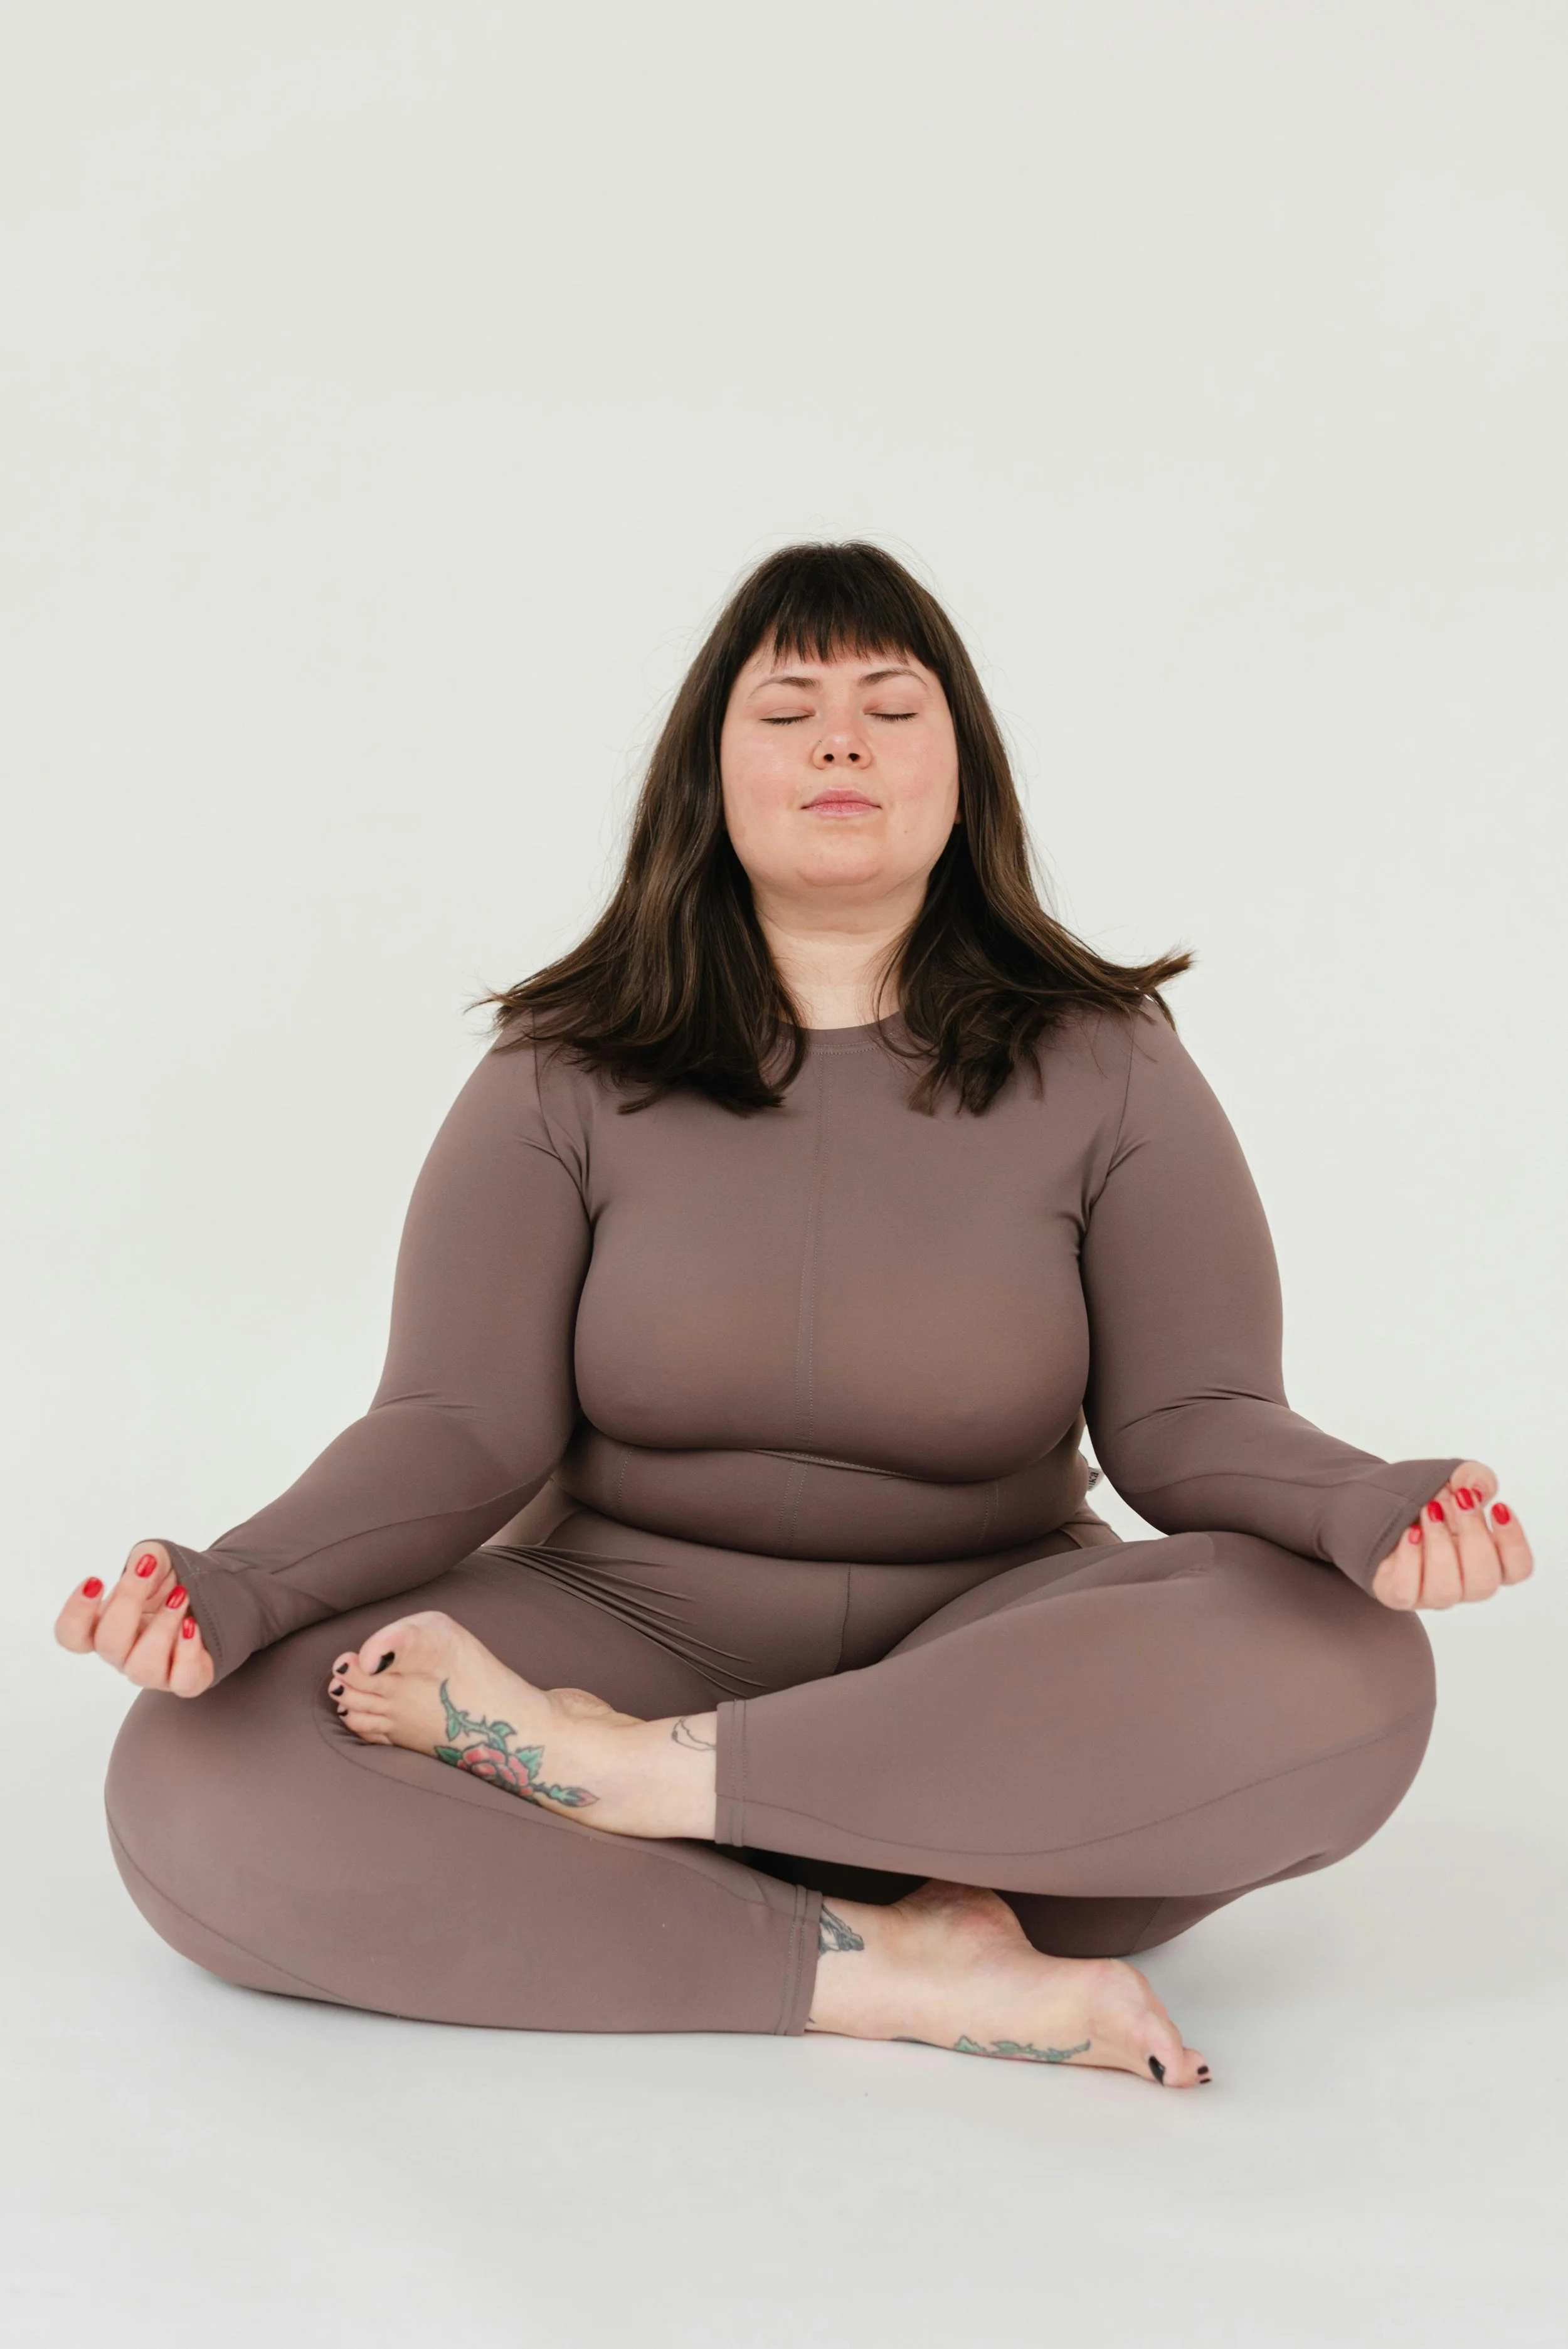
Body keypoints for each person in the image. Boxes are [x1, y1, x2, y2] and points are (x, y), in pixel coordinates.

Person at [56, 542, 1532, 2091]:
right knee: (199, 1768)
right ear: (710, 776)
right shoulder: (559, 1069)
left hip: (974, 1703)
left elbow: (1192, 1420)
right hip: (613, 1629)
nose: (840, 741)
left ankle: (631, 1798)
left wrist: (1366, 1506)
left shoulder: (1109, 1064)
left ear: (962, 773)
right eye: (788, 710)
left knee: (1351, 1664)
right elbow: (452, 1427)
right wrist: (236, 1586)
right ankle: (884, 1959)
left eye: (891, 706)